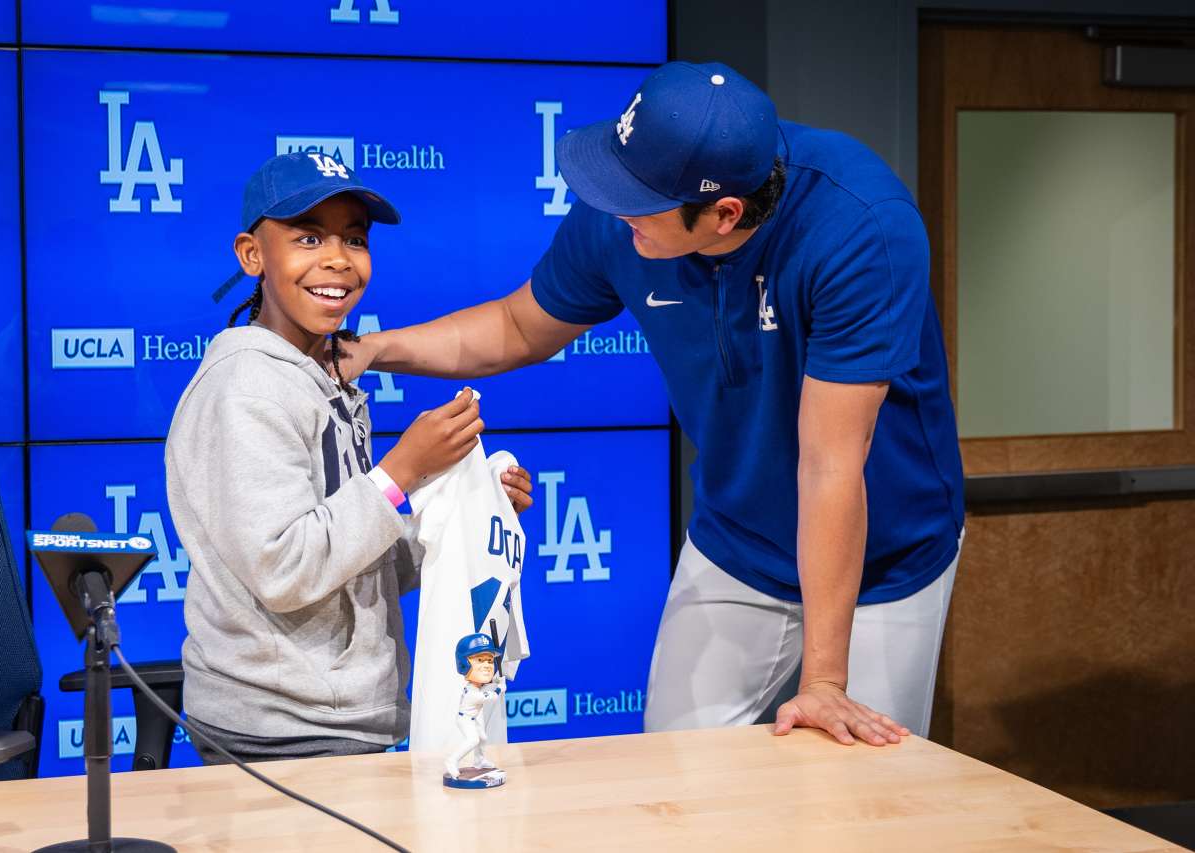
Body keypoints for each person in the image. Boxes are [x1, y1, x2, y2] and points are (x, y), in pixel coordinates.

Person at [342, 62, 965, 746]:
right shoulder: (630, 212)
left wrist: (822, 681)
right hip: (738, 538)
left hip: (885, 554)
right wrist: (376, 349)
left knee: (862, 791)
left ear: (725, 213)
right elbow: (519, 326)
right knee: (679, 765)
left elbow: (829, 466)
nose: (614, 207)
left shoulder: (860, 229)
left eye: (636, 200)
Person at [165, 152, 533, 764]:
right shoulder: (247, 386)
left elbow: (360, 564)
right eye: (309, 237)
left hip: (341, 718)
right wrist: (402, 472)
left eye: (354, 240)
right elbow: (285, 569)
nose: (337, 259)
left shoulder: (325, 375)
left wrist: (466, 507)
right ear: (252, 256)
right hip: (280, 729)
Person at [444, 633, 505, 783]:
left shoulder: (477, 686)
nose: (487, 665)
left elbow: (486, 685)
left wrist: (496, 680)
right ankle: (452, 761)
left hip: (474, 717)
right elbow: (491, 697)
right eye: (480, 660)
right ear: (464, 664)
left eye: (490, 660)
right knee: (473, 740)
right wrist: (500, 688)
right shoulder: (472, 692)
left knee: (483, 738)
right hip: (465, 719)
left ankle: (480, 761)